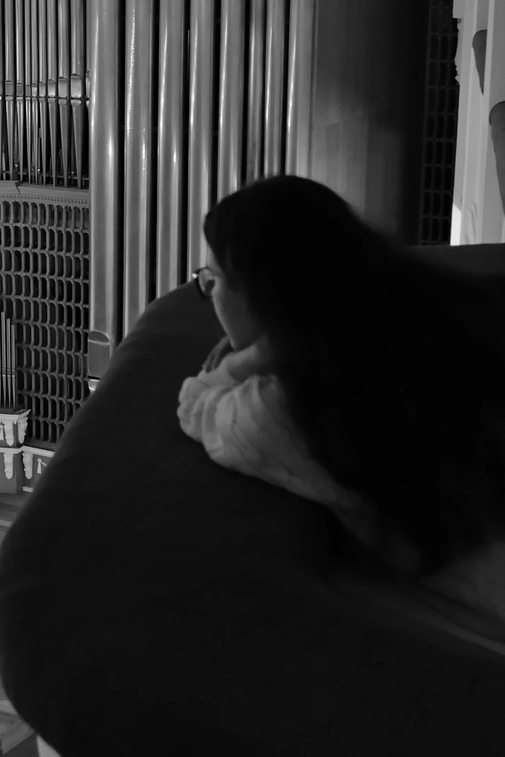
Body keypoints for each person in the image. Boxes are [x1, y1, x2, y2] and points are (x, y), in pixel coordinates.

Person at [177, 176, 505, 629]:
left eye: (213, 281)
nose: (209, 294)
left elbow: (193, 403)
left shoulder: (284, 408)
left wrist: (249, 357)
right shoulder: (427, 304)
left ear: (257, 292)